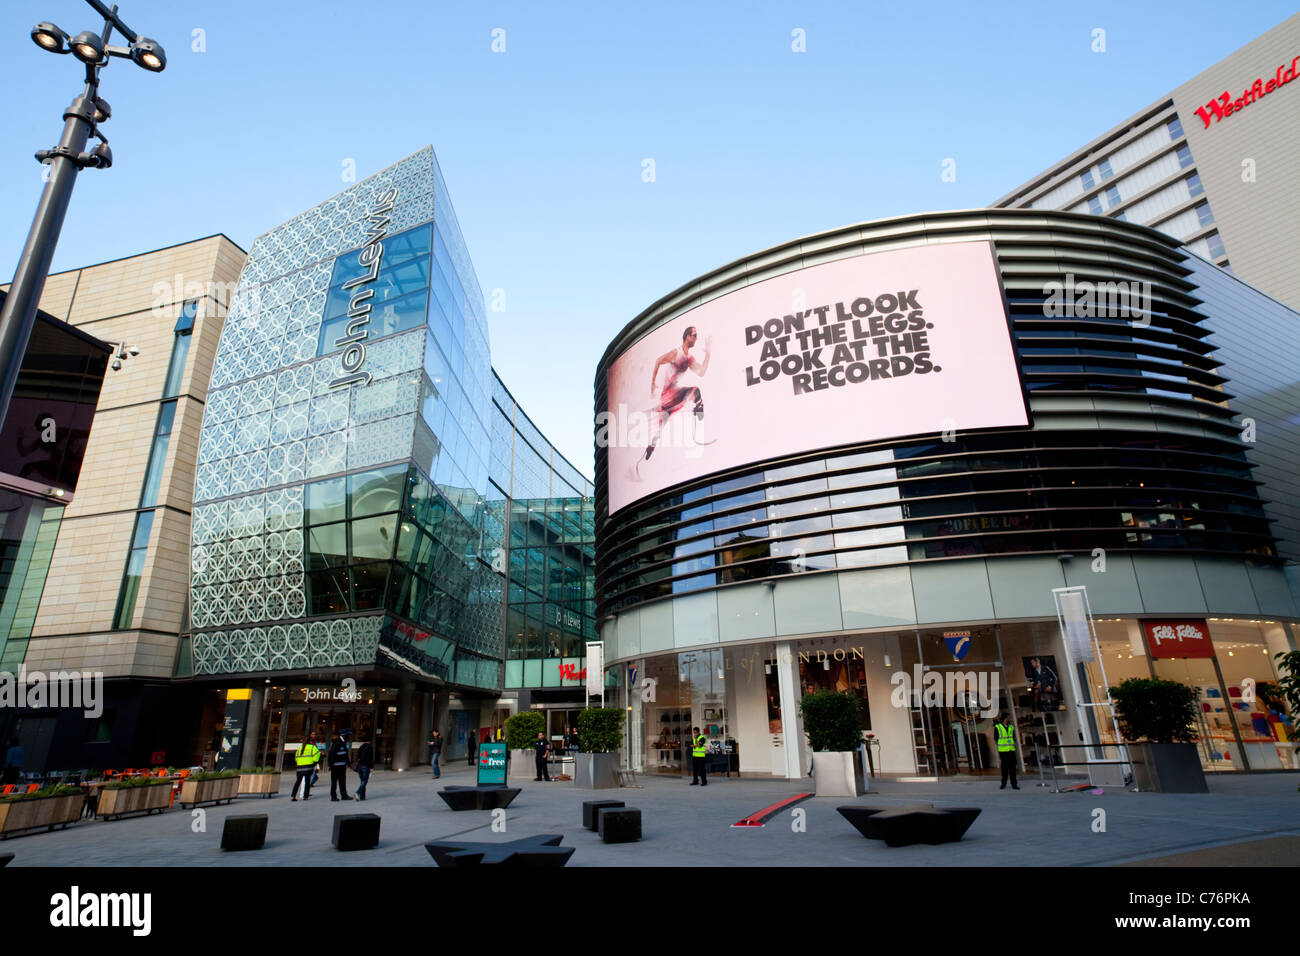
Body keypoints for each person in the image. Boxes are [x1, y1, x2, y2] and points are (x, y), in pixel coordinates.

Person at [637, 326, 712, 478]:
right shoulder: (676, 353)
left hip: (674, 396)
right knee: (695, 391)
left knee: (661, 424)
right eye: (694, 335)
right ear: (687, 337)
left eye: (697, 335)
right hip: (668, 394)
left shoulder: (690, 359)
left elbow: (701, 372)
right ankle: (698, 412)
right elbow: (658, 361)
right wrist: (652, 383)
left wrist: (708, 354)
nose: (696, 338)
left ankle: (650, 448)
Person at [292, 732, 322, 800]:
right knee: (307, 781)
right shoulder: (312, 747)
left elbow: (296, 757)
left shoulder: (300, 748)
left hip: (299, 767)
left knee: (298, 781)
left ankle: (293, 795)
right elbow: (317, 756)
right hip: (308, 767)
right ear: (310, 741)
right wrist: (314, 762)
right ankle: (305, 796)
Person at [994, 713, 1019, 790]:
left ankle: (1014, 784)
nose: (1009, 719)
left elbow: (1013, 736)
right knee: (1004, 768)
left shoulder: (1011, 727)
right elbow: (996, 738)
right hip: (1003, 751)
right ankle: (1003, 783)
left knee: (1013, 768)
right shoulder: (998, 727)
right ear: (1005, 718)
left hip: (1011, 750)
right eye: (1008, 718)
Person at [327, 729, 352, 801]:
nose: (349, 737)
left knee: (342, 781)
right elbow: (331, 754)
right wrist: (330, 765)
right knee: (334, 782)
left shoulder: (343, 742)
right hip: (335, 766)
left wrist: (348, 763)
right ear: (344, 735)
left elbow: (345, 754)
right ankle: (333, 796)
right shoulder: (336, 742)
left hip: (342, 765)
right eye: (348, 735)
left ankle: (344, 795)